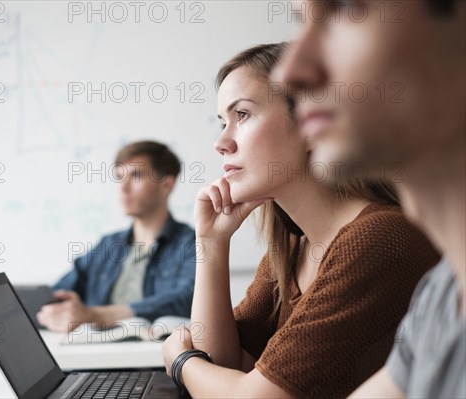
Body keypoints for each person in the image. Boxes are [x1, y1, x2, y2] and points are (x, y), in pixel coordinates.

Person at [161, 44, 440, 398]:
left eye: (242, 115)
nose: (221, 142)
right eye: (222, 123)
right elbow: (223, 364)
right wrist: (212, 245)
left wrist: (181, 361)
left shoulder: (380, 238)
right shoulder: (294, 246)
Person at [273, 1, 465, 398]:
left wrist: (183, 361)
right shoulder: (443, 295)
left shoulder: (379, 238)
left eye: (344, 9)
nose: (290, 73)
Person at [37, 141, 196, 332]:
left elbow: (187, 299)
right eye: (120, 177)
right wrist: (56, 309)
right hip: (95, 356)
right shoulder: (108, 245)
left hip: (156, 357)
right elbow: (60, 291)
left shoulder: (190, 243)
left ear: (166, 185)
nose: (123, 188)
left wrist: (94, 315)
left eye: (136, 176)